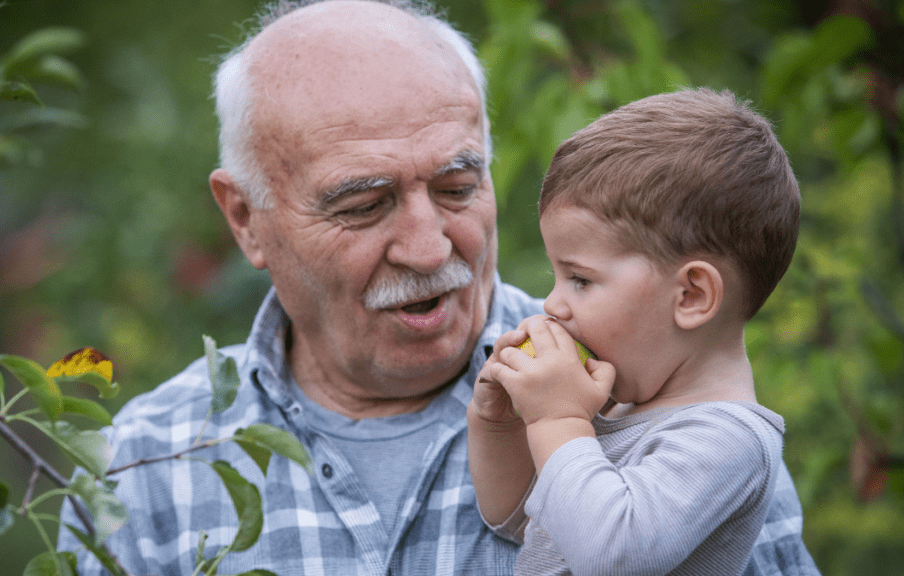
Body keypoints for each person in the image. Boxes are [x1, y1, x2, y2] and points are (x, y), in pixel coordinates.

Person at [57, 2, 821, 575]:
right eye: (364, 204)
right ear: (247, 219)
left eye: (458, 186)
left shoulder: (657, 398)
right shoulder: (142, 461)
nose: (429, 248)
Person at [468, 88, 802, 575]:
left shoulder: (728, 440)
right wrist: (498, 424)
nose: (553, 303)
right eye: (556, 277)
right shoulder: (617, 409)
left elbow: (613, 555)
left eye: (580, 279)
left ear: (691, 296)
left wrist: (558, 420)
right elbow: (516, 518)